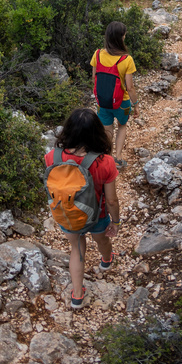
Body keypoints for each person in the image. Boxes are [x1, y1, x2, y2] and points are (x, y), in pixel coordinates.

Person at [44, 108, 121, 310]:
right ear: (97, 132)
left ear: (68, 130)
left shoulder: (52, 157)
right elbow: (112, 200)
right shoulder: (106, 162)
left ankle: (77, 296)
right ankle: (106, 261)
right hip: (97, 215)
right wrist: (116, 222)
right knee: (102, 240)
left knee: (77, 250)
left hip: (68, 214)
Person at [91, 20, 139, 169]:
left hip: (103, 102)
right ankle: (118, 158)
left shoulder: (97, 54)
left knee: (107, 129)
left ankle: (107, 157)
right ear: (120, 37)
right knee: (122, 126)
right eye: (124, 35)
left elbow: (94, 78)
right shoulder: (127, 59)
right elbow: (130, 87)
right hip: (122, 102)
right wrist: (135, 105)